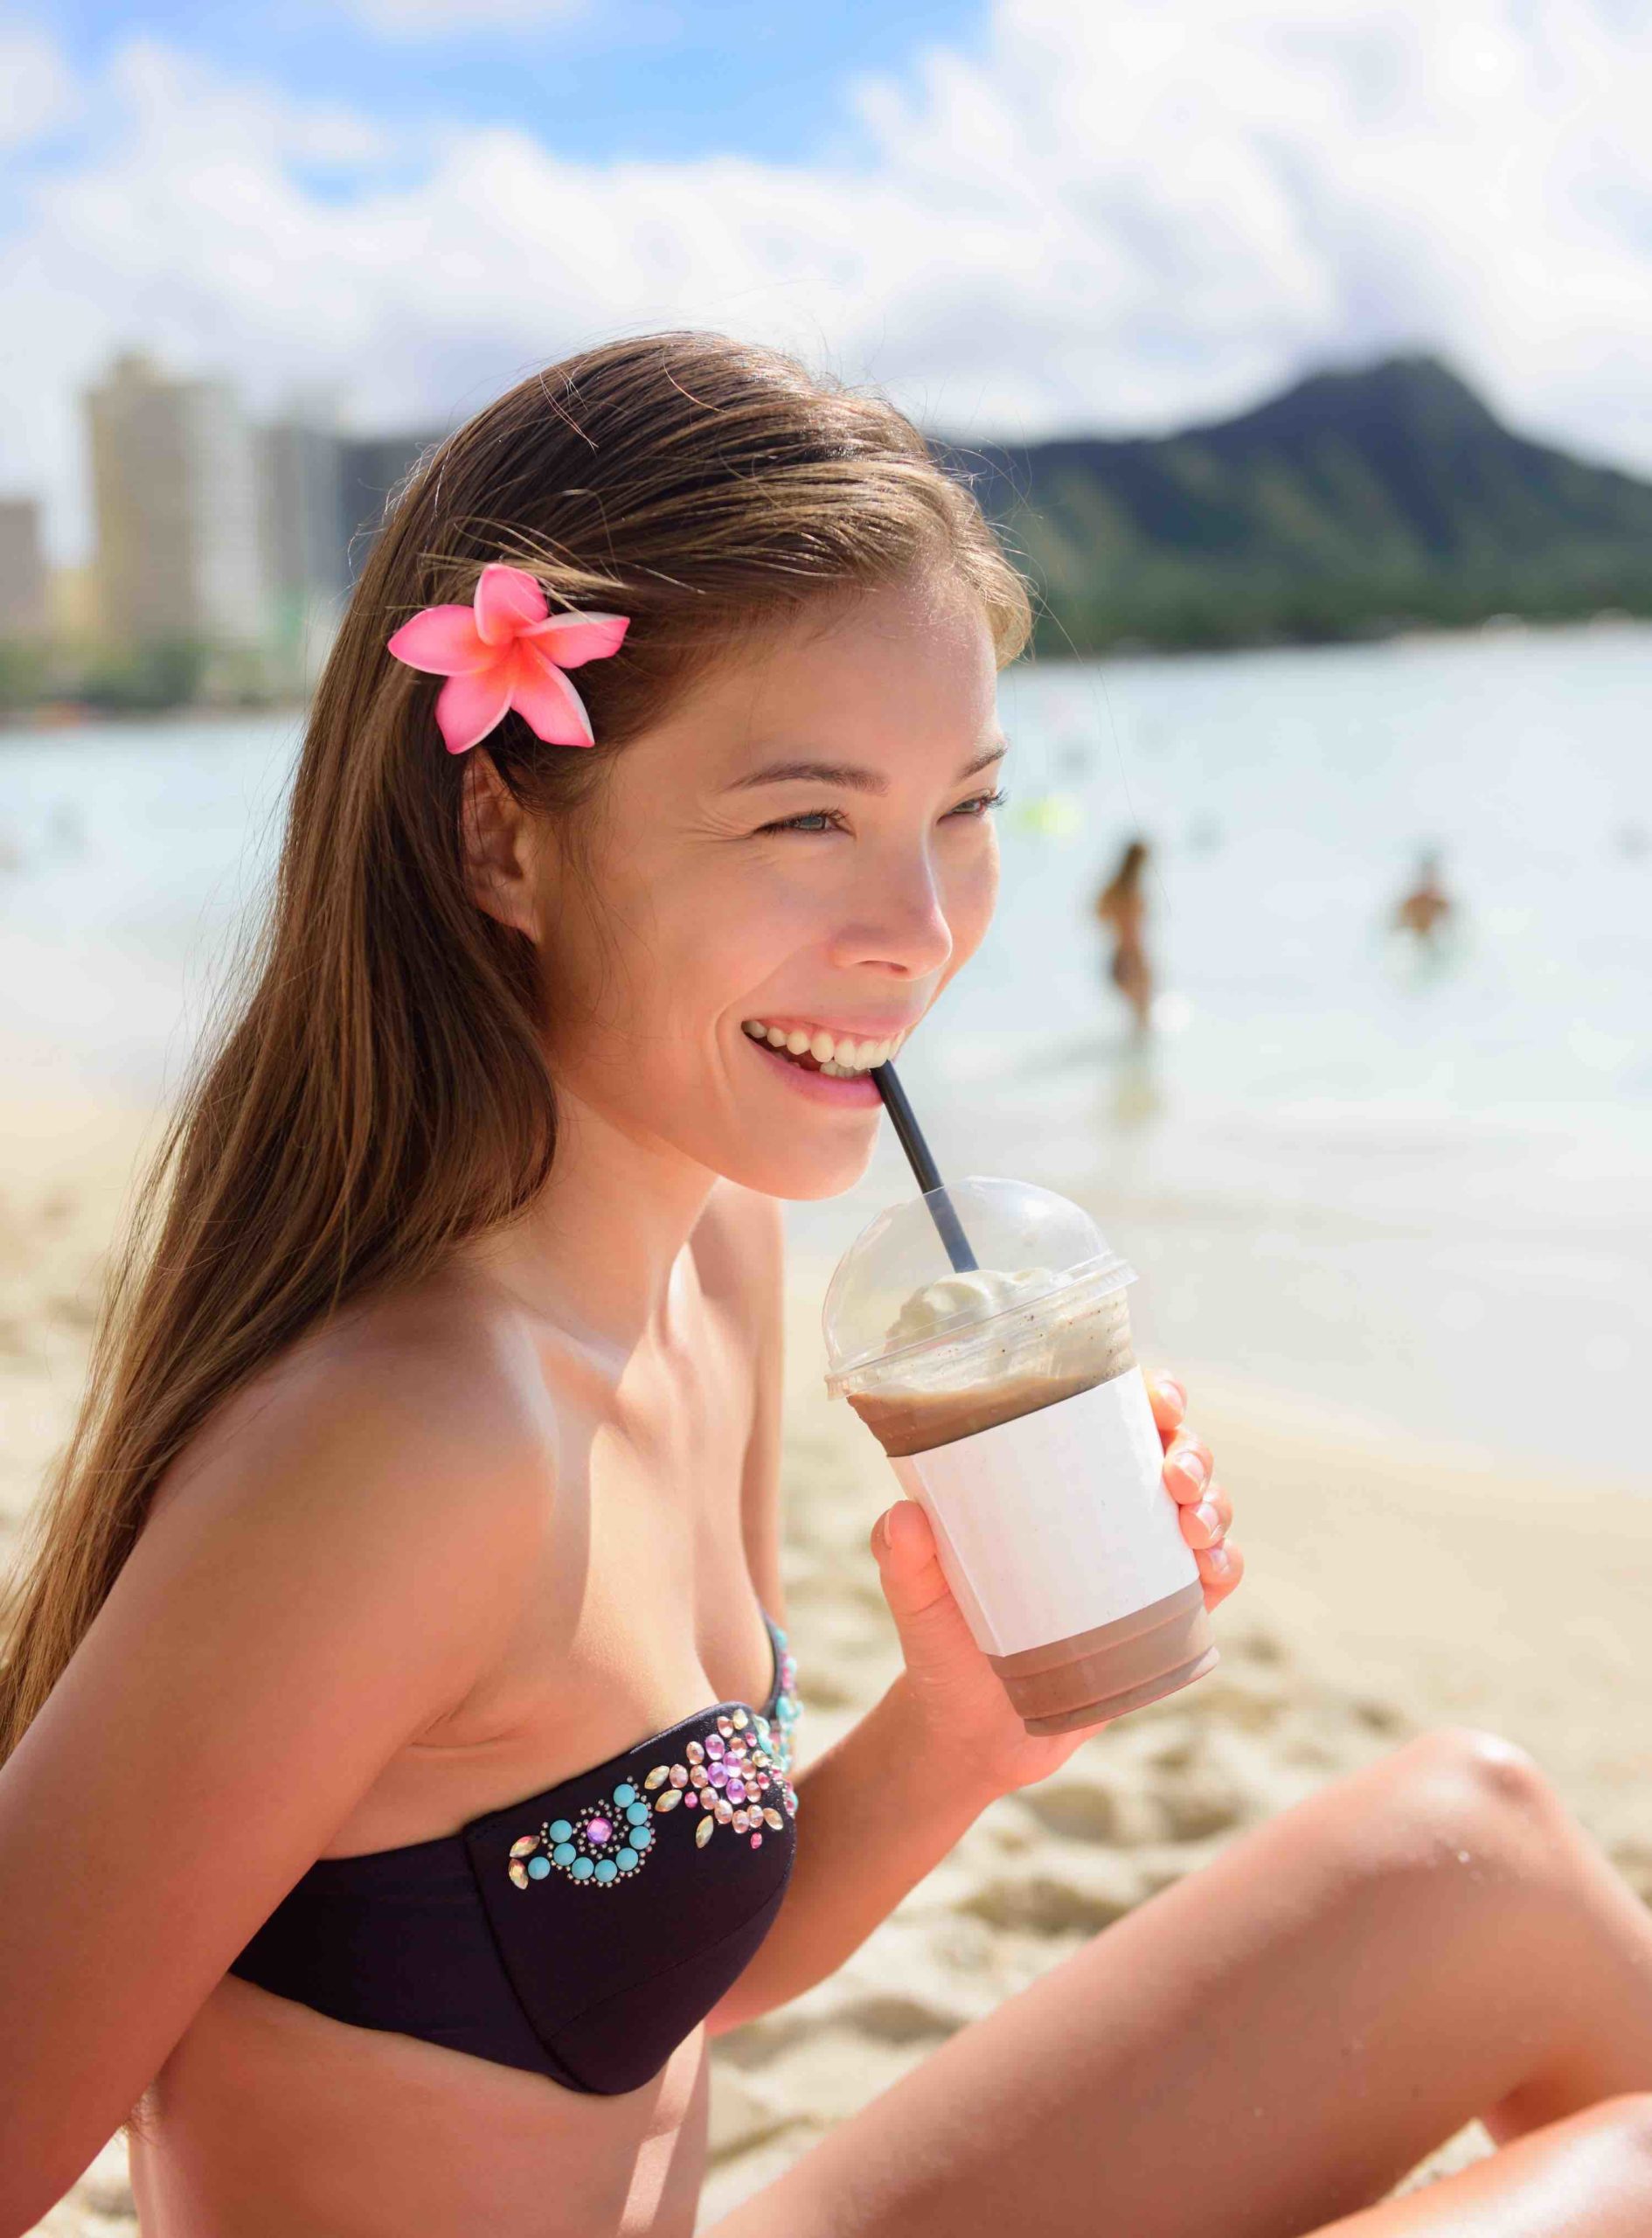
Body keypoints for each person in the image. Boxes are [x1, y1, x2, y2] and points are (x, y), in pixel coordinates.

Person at [1, 336, 1650, 2238]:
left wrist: (969, 1726)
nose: (923, 931)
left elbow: (654, 1967)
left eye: (963, 806)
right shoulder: (406, 1446)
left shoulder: (708, 1251)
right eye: (810, 818)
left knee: (1489, 1852)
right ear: (502, 835)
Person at [1094, 836, 1155, 1033]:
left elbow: (1098, 916)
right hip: (1133, 957)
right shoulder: (1133, 893)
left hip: (1118, 956)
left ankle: (1131, 1061)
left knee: (1135, 1016)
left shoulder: (1112, 890)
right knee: (1142, 1016)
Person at [1392, 849, 1454, 947]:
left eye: (1431, 876)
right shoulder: (1410, 904)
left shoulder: (1443, 904)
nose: (1427, 880)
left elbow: (1452, 930)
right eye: (1424, 875)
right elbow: (1395, 928)